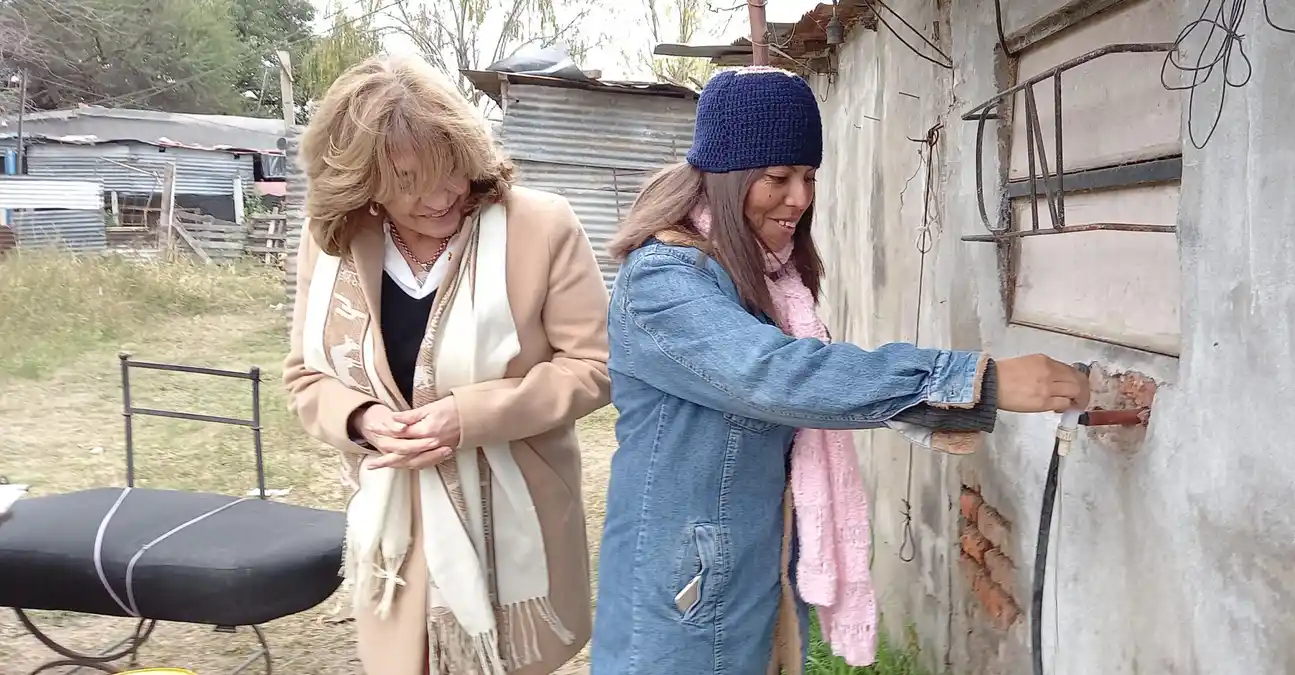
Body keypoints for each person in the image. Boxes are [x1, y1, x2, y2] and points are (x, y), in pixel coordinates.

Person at [591, 66, 1092, 675]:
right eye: (778, 177)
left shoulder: (767, 276)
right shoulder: (664, 281)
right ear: (725, 177)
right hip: (686, 588)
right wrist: (973, 381)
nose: (800, 199)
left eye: (808, 177)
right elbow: (777, 375)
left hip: (754, 564)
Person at [282, 55, 610, 675]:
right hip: (394, 520)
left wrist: (471, 416)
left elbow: (592, 365)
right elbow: (305, 376)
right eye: (409, 179)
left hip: (515, 522)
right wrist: (362, 419)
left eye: (452, 171)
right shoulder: (331, 241)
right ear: (361, 180)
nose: (441, 197)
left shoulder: (539, 226)